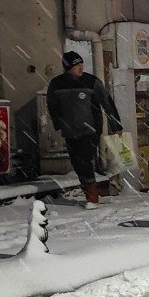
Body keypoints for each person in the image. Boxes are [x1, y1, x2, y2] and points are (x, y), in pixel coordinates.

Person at [46, 51, 123, 209]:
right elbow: (52, 106)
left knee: (85, 159)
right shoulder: (56, 84)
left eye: (81, 63)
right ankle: (90, 189)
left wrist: (116, 125)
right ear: (68, 67)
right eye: (76, 64)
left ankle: (92, 197)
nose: (81, 67)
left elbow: (107, 102)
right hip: (70, 131)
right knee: (77, 162)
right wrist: (59, 123)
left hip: (91, 129)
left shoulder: (91, 82)